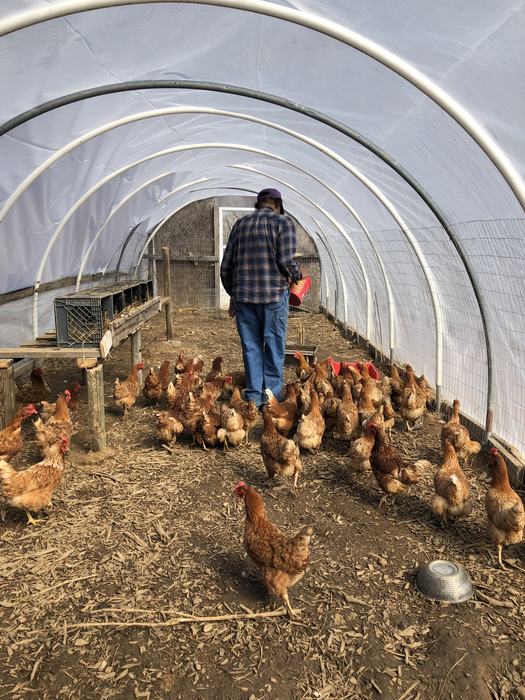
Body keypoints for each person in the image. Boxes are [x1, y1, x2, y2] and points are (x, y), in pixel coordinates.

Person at [220, 188, 303, 408]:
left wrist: (234, 295)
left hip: (245, 299)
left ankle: (254, 396)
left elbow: (226, 266)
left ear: (259, 204)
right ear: (278, 204)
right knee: (274, 345)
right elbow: (286, 260)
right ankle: (271, 398)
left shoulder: (240, 225)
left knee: (251, 347)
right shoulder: (283, 223)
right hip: (274, 297)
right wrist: (298, 276)